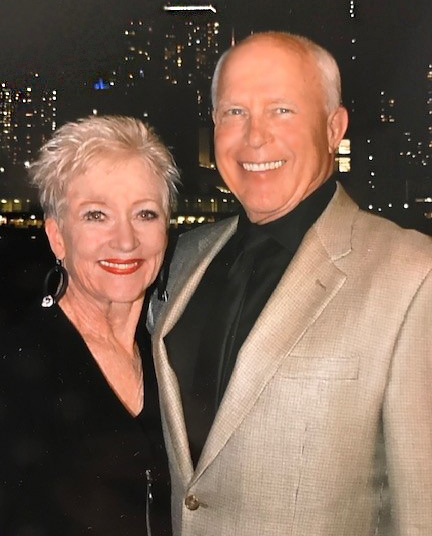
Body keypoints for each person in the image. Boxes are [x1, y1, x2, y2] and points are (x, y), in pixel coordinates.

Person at [149, 32, 432, 535]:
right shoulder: (185, 256)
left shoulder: (412, 275)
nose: (254, 137)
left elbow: (420, 512)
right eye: (234, 112)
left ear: (333, 128)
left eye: (282, 110)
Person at [0, 115, 180, 535]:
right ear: (57, 236)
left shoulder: (172, 354)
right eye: (96, 215)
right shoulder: (14, 366)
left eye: (145, 214)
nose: (125, 241)